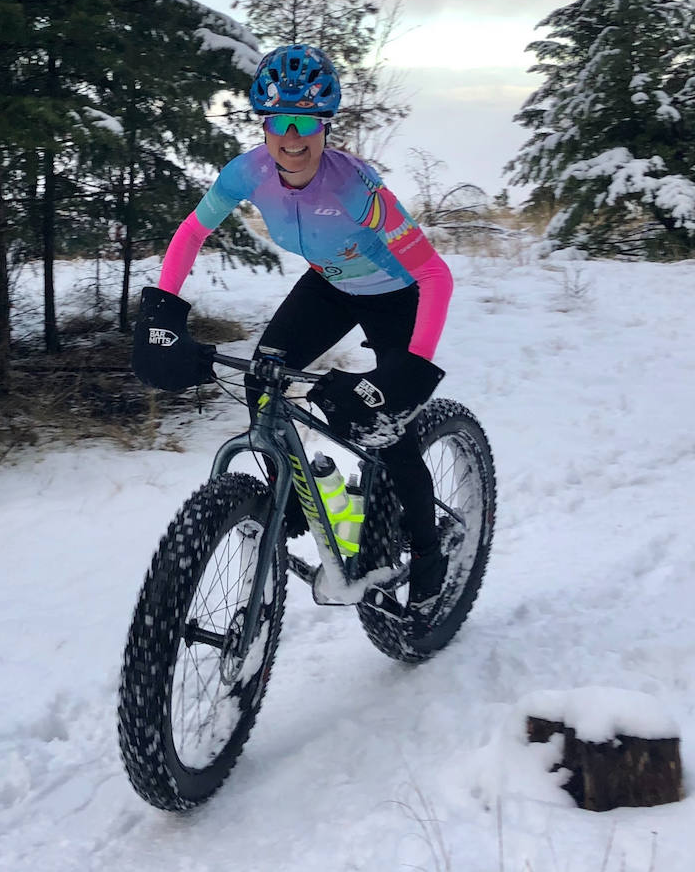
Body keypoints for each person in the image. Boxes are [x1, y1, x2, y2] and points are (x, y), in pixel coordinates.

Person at [132, 43, 454, 615]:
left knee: (387, 429)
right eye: (280, 122)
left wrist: (412, 367)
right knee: (263, 379)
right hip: (329, 286)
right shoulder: (248, 174)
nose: (294, 136)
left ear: (325, 124)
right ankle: (299, 500)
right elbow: (190, 233)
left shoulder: (356, 186)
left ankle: (428, 555)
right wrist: (162, 314)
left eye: (307, 120)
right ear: (265, 124)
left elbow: (433, 273)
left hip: (395, 296)